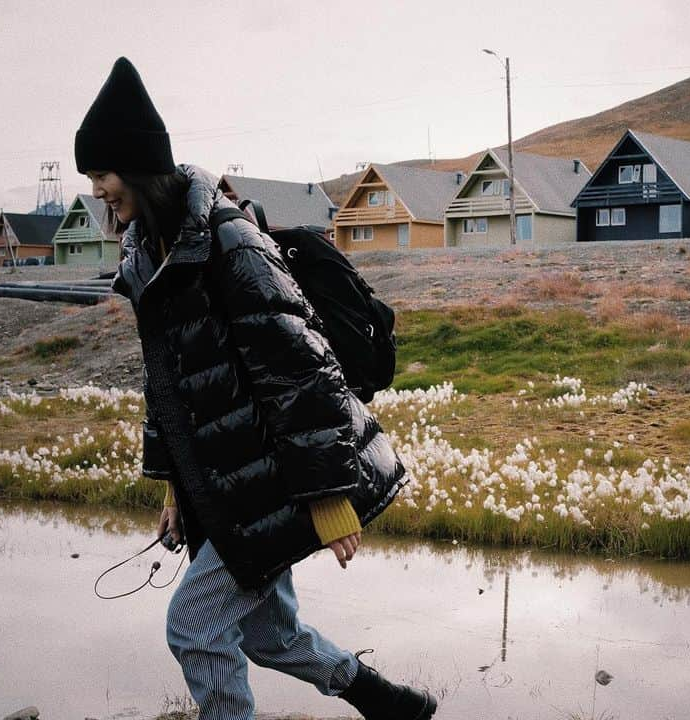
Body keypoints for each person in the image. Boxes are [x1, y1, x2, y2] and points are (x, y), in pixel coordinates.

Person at [75, 57, 437, 720]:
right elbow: (171, 390)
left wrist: (330, 497)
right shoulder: (149, 255)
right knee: (270, 636)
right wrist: (173, 488)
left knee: (193, 626)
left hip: (273, 482)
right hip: (223, 485)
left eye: (102, 173)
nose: (98, 189)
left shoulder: (226, 240)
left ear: (136, 163)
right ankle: (390, 704)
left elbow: (302, 369)